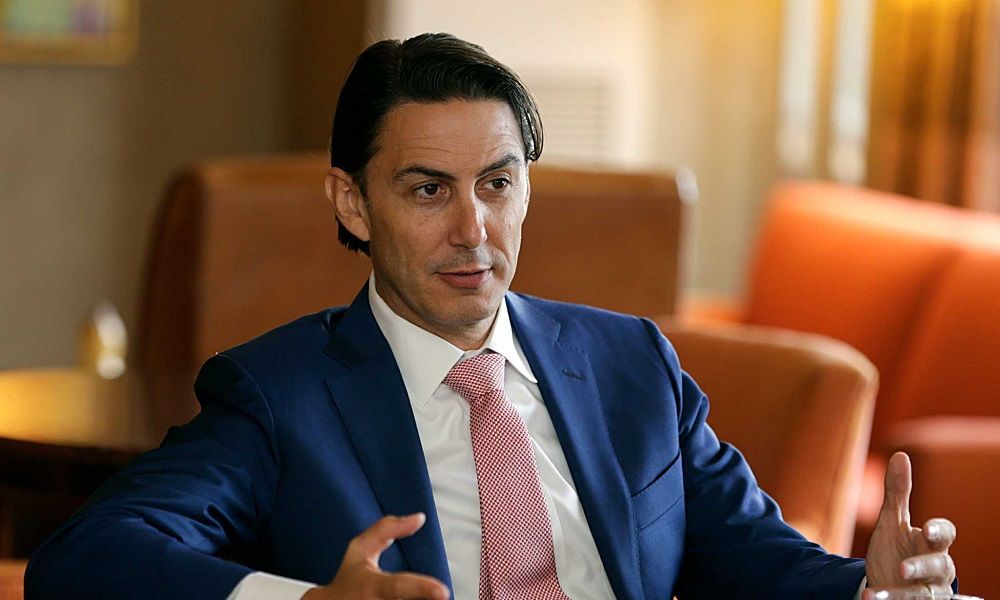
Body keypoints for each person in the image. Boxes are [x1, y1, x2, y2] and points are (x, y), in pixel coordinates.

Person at [26, 33, 958, 600]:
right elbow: (87, 559)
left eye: (498, 184)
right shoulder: (281, 396)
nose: (473, 229)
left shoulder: (631, 363)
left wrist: (872, 588)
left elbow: (758, 559)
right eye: (428, 189)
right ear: (353, 203)